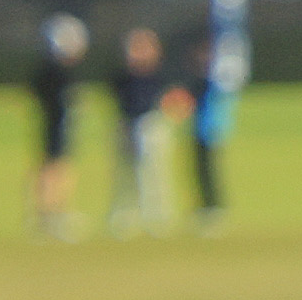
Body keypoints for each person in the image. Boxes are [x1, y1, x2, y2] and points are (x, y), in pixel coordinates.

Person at [104, 25, 179, 237]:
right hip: (126, 124)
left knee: (153, 173)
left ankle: (157, 216)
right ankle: (123, 216)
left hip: (151, 124)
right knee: (124, 174)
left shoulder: (160, 75)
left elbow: (172, 100)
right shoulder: (122, 76)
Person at [25, 12, 89, 238]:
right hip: (56, 123)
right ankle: (51, 213)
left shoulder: (54, 71)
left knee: (57, 166)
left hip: (57, 123)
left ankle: (52, 213)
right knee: (55, 168)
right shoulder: (55, 73)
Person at [189, 21, 246, 229]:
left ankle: (214, 206)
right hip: (200, 128)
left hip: (210, 129)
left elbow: (218, 106)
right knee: (199, 169)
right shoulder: (202, 80)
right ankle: (206, 205)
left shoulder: (214, 81)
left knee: (209, 169)